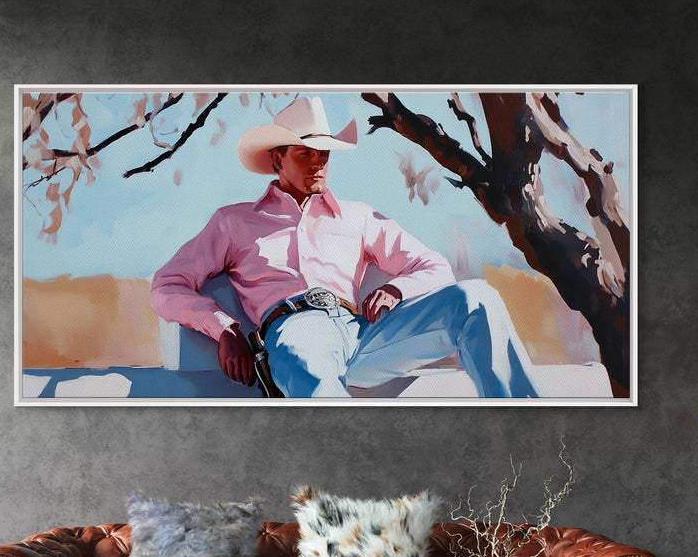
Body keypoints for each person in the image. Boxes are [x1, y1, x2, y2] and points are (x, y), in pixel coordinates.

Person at [150, 96, 539, 398]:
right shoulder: (233, 222)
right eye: (305, 153)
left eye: (324, 153)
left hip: (364, 333)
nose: (318, 163)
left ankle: (527, 436)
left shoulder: (358, 217)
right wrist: (224, 329)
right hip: (296, 330)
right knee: (308, 359)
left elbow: (434, 266)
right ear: (276, 160)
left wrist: (395, 288)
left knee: (478, 299)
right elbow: (167, 286)